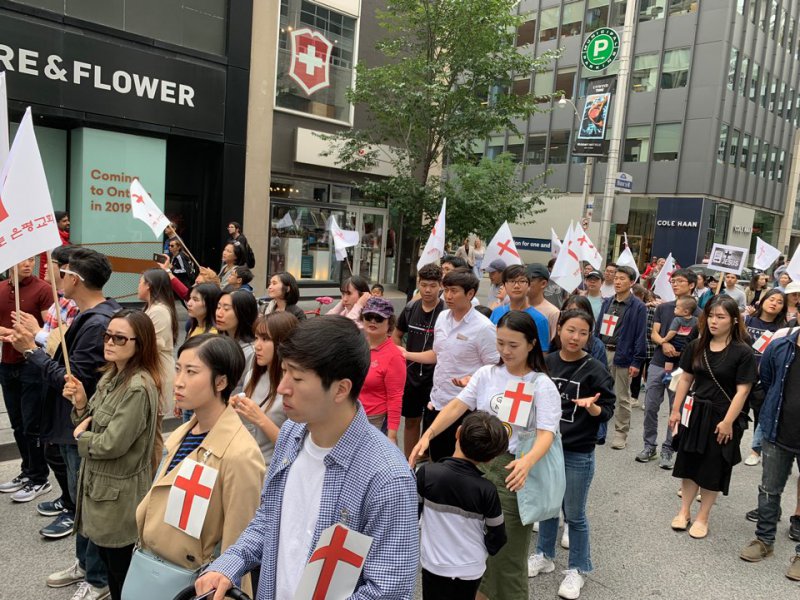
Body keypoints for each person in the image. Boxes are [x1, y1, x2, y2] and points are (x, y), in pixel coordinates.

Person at [195, 317, 419, 600]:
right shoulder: (291, 433)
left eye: (298, 378)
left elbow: (387, 591)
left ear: (341, 389)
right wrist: (229, 564)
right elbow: (268, 518)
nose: (282, 388)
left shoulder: (388, 478)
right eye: (284, 371)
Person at [410, 310, 561, 600]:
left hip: (512, 470)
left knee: (507, 556)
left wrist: (527, 461)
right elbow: (457, 405)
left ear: (532, 344)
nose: (505, 351)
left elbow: (547, 433)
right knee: (477, 549)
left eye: (513, 345)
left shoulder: (541, 384)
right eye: (500, 343)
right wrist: (429, 434)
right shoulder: (487, 374)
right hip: (476, 466)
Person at [8, 248, 119, 599]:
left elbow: (74, 384)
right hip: (73, 425)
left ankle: (97, 579)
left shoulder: (98, 322)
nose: (59, 275)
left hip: (81, 426)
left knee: (87, 504)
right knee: (81, 502)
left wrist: (31, 351)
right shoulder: (93, 315)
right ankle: (84, 565)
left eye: (66, 271)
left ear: (76, 280)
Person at [136, 335, 265, 597]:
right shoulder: (183, 431)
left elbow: (239, 543)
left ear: (221, 382)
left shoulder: (241, 454)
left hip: (196, 585)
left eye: (191, 372)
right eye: (178, 369)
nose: (179, 381)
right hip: (151, 567)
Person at [64, 310, 160, 599]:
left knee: (122, 573)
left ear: (139, 344)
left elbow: (111, 443)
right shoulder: (111, 376)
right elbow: (92, 420)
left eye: (120, 338)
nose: (109, 342)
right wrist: (81, 403)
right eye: (107, 336)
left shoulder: (137, 387)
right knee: (110, 565)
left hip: (119, 498)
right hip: (101, 491)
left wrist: (81, 437)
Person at [531, 309, 616, 599]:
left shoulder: (596, 369)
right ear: (559, 330)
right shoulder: (546, 362)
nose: (575, 337)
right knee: (548, 506)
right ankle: (544, 555)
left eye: (582, 332)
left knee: (575, 513)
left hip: (578, 451)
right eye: (570, 330)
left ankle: (577, 569)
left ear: (589, 336)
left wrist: (592, 407)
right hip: (547, 447)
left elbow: (607, 410)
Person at [668, 295, 757, 539]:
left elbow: (743, 391)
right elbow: (685, 378)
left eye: (720, 317)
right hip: (695, 411)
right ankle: (684, 511)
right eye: (710, 316)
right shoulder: (696, 345)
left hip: (722, 415)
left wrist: (728, 422)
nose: (713, 321)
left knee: (712, 466)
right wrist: (675, 410)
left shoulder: (743, 352)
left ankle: (702, 517)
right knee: (688, 462)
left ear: (734, 320)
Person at [11, 246, 79, 538]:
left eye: (48, 264)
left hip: (59, 378)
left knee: (63, 451)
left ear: (65, 271)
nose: (41, 268)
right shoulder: (59, 299)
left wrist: (35, 335)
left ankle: (74, 510)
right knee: (52, 446)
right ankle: (67, 498)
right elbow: (49, 336)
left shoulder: (75, 306)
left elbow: (62, 346)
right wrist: (32, 334)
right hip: (46, 373)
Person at [402, 268, 499, 461]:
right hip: (437, 401)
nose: (448, 296)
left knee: (457, 462)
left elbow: (496, 369)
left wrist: (471, 379)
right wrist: (406, 354)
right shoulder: (442, 318)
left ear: (470, 294)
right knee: (435, 458)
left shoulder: (484, 327)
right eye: (446, 290)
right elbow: (437, 354)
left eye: (454, 291)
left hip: (464, 407)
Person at [417, 412, 508, 598]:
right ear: (490, 458)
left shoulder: (427, 474)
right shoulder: (487, 490)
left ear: (458, 432)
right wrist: (485, 549)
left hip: (435, 564)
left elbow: (411, 515)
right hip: (471, 568)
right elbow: (498, 536)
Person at [739, 324, 800, 580]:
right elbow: (765, 380)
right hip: (777, 432)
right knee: (768, 489)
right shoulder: (779, 346)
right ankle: (764, 540)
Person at [0, 257, 54, 501]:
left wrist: (28, 335)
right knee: (17, 424)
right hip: (7, 363)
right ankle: (27, 470)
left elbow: (49, 331)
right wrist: (7, 332)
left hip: (33, 365)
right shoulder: (2, 288)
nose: (27, 264)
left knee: (33, 425)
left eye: (31, 259)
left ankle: (39, 478)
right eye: (22, 260)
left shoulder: (43, 289)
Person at [639, 268, 702, 467]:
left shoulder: (700, 314)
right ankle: (649, 445)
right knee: (650, 406)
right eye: (673, 281)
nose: (675, 284)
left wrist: (685, 354)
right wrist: (664, 344)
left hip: (683, 368)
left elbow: (700, 341)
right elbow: (654, 334)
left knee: (676, 409)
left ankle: (669, 448)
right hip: (658, 362)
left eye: (680, 281)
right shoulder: (663, 308)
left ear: (691, 285)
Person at [232, 312, 298, 466]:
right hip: (244, 463)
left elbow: (295, 447)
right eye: (256, 338)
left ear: (283, 343)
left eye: (265, 339)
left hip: (272, 469)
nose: (257, 346)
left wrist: (260, 418)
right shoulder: (252, 376)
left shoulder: (294, 388)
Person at [394, 263, 445, 458]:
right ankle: (410, 461)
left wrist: (406, 354)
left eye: (433, 285)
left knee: (434, 424)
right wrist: (400, 357)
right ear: (418, 283)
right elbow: (397, 334)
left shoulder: (446, 312)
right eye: (424, 285)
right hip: (411, 375)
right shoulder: (410, 308)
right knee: (411, 420)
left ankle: (429, 462)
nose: (428, 290)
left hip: (437, 377)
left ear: (440, 285)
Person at [594, 265, 646, 450]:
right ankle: (598, 430)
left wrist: (637, 361)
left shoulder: (638, 307)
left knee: (622, 396)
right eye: (616, 278)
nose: (617, 281)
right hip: (603, 352)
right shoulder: (608, 302)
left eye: (622, 278)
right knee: (598, 392)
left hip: (623, 354)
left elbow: (640, 335)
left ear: (631, 282)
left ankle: (620, 433)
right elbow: (598, 328)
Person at [138, 269, 178, 473]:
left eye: (140, 282)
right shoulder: (153, 308)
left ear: (149, 286)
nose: (138, 286)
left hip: (158, 370)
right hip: (155, 368)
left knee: (154, 431)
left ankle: (154, 475)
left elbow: (152, 343)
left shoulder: (159, 311)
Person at [742, 289, 787, 467]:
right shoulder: (747, 320)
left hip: (764, 379)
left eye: (779, 302)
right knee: (738, 411)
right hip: (742, 375)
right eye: (771, 299)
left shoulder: (783, 329)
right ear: (762, 301)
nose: (774, 303)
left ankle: (756, 450)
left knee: (761, 414)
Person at [359, 297, 406, 442]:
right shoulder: (358, 346)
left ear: (389, 324)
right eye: (369, 316)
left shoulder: (394, 356)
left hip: (376, 421)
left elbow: (395, 398)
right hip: (352, 416)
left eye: (379, 318)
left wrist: (391, 435)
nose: (373, 321)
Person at [490, 264, 550, 352]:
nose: (516, 286)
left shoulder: (539, 319)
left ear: (529, 286)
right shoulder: (497, 312)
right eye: (511, 281)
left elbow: (542, 353)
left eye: (522, 281)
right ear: (504, 285)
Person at [215, 290, 258, 394]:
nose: (219, 314)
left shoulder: (252, 352)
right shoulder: (218, 341)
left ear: (243, 312)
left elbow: (245, 392)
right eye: (218, 307)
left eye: (226, 309)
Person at [660, 296, 699, 378]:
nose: (674, 309)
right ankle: (679, 374)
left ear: (685, 311)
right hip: (687, 345)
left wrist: (664, 340)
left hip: (676, 343)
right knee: (683, 360)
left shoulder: (677, 320)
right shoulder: (696, 320)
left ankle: (667, 374)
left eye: (677, 308)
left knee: (669, 358)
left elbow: (672, 332)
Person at [527, 263, 560, 342]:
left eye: (529, 281)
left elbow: (552, 343)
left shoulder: (553, 312)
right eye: (522, 280)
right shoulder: (516, 306)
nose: (525, 284)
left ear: (543, 283)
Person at [39, 210, 71, 280]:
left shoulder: (60, 237)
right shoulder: (55, 239)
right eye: (64, 221)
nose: (68, 223)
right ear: (56, 223)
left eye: (68, 220)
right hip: (51, 279)